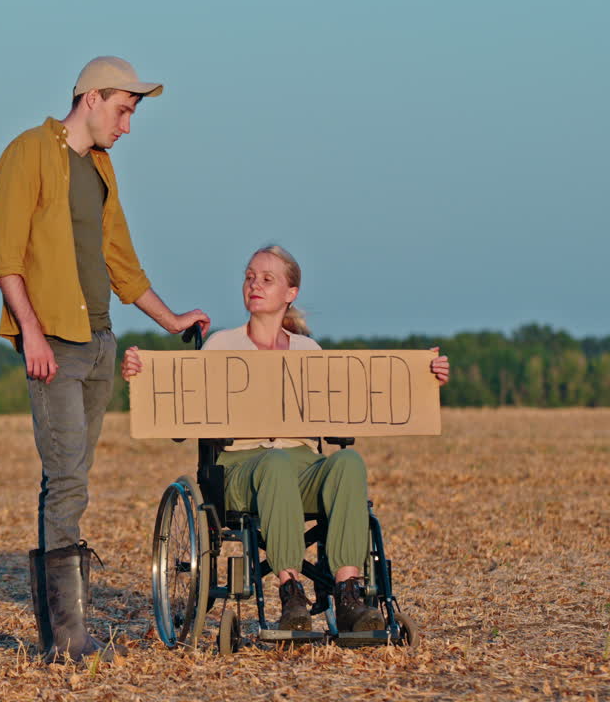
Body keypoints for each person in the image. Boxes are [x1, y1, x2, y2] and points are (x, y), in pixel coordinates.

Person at [0, 56, 210, 663]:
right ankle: (68, 639)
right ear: (92, 97)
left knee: (69, 475)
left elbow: (122, 262)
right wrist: (30, 332)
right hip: (53, 343)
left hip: (100, 342)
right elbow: (2, 254)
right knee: (68, 481)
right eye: (124, 110)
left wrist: (172, 320)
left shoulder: (101, 168)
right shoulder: (27, 152)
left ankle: (58, 632)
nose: (127, 126)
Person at [121, 245, 450, 632]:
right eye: (249, 276)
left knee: (348, 462)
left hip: (303, 465)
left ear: (290, 293)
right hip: (241, 469)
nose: (253, 284)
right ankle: (291, 590)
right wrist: (144, 376)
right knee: (274, 463)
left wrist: (423, 378)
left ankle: (348, 592)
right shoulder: (220, 346)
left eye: (266, 278)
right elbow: (182, 417)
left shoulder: (308, 352)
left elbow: (343, 416)